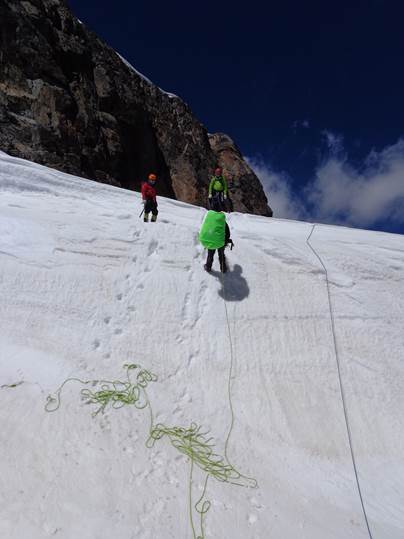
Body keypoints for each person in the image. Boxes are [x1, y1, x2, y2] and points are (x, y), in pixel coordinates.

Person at [199, 197, 233, 273]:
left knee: (210, 254)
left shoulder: (209, 217)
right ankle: (223, 268)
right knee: (221, 254)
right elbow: (227, 232)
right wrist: (226, 240)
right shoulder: (222, 220)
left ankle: (208, 267)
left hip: (210, 239)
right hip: (220, 242)